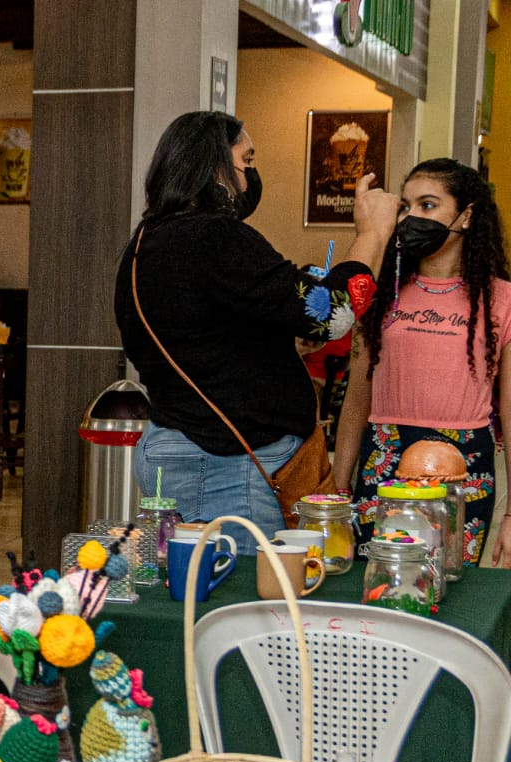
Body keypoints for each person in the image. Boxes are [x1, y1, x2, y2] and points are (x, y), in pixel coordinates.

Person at [113, 110, 398, 544]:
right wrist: (372, 234)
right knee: (244, 586)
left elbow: (204, 337)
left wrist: (280, 341)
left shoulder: (144, 242)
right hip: (225, 463)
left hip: (186, 446)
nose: (250, 178)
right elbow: (331, 314)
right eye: (246, 161)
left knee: (197, 580)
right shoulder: (214, 237)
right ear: (215, 166)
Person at [332, 158, 511, 566]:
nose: (412, 217)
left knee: (448, 583)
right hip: (384, 455)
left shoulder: (502, 299)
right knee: (378, 581)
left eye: (428, 205)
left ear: (466, 216)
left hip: (465, 463)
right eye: (405, 207)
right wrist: (338, 491)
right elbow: (356, 401)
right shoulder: (381, 293)